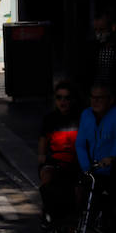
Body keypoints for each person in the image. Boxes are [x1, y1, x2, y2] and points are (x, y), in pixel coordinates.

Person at [39, 81, 82, 224]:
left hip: (76, 163)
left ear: (73, 99)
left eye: (67, 98)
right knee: (47, 177)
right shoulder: (49, 119)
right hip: (55, 161)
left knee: (77, 194)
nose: (63, 101)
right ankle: (48, 213)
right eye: (59, 97)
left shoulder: (80, 117)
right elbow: (43, 144)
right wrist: (42, 159)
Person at [76, 83, 116, 188]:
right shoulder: (86, 114)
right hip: (91, 170)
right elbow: (80, 144)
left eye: (100, 98)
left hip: (111, 171)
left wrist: (111, 158)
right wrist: (86, 168)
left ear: (110, 100)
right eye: (92, 97)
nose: (95, 101)